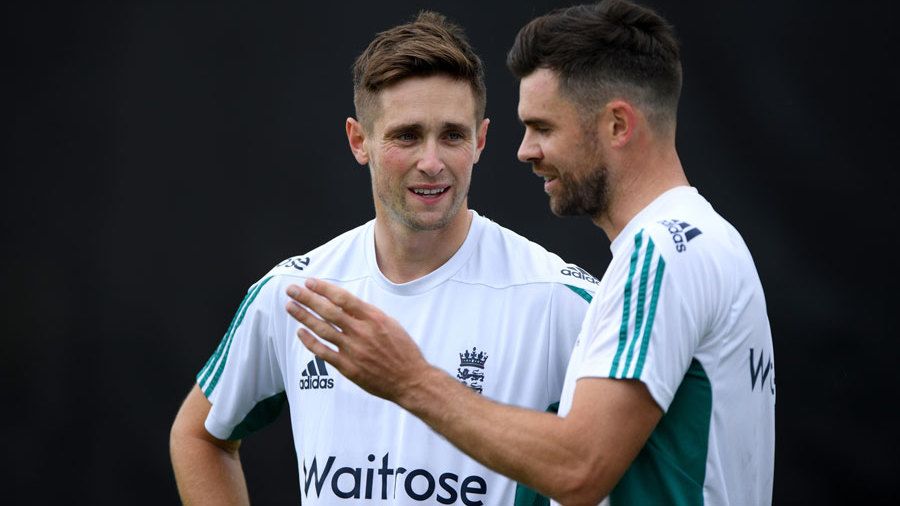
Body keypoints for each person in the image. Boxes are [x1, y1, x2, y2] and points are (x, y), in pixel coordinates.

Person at [285, 0, 776, 504]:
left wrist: (410, 380)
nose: (525, 151)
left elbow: (579, 468)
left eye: (544, 127)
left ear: (616, 125)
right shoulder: (712, 239)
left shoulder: (660, 255)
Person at [169, 10, 598, 505]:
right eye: (407, 135)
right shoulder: (297, 294)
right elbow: (200, 435)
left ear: (480, 140)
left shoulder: (559, 301)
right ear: (359, 140)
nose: (432, 162)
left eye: (452, 135)